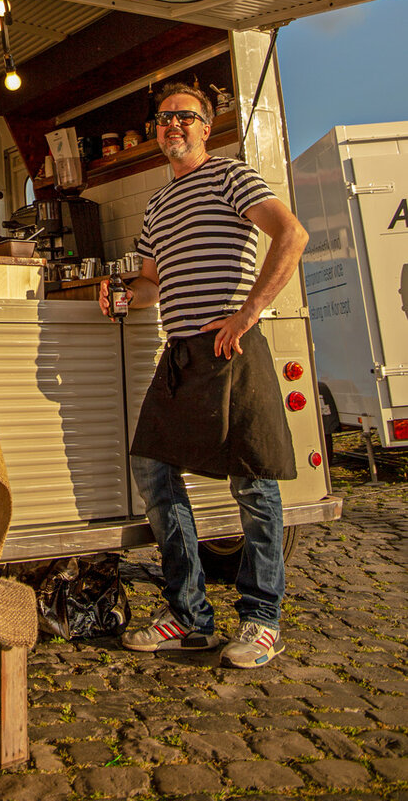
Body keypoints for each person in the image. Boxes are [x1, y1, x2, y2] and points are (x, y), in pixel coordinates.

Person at [99, 80, 308, 668]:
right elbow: (151, 284)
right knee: (153, 468)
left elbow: (292, 234)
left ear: (206, 126)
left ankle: (261, 621)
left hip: (232, 350)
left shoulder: (231, 176)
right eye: (164, 118)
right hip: (181, 352)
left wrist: (248, 312)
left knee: (254, 483)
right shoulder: (158, 205)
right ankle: (188, 616)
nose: (174, 126)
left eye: (185, 117)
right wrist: (120, 295)